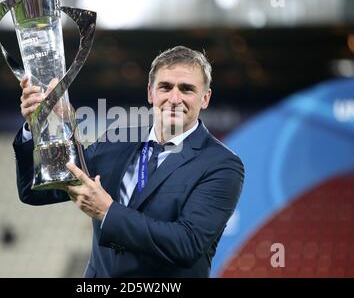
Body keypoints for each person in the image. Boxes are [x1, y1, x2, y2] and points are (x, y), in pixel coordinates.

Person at [13, 45, 244, 277]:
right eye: (165, 87)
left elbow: (187, 244)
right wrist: (46, 123)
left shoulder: (221, 165)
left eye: (187, 89)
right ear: (150, 93)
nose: (174, 98)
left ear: (205, 98)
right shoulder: (117, 141)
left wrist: (108, 212)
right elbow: (35, 191)